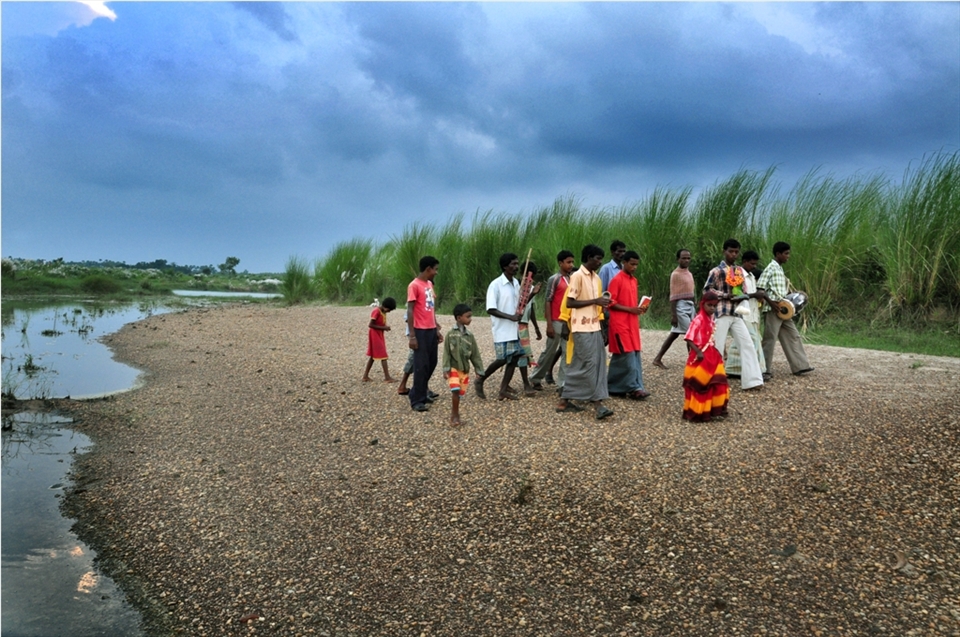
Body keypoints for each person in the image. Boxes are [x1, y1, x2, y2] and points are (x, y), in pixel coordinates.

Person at [556, 244, 614, 420]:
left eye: (600, 259)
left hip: (594, 326)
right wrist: (594, 301)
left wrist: (603, 326)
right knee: (588, 364)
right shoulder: (577, 276)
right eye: (597, 258)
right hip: (581, 327)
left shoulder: (596, 278)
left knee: (594, 363)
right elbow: (570, 303)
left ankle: (564, 400)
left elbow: (597, 304)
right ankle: (598, 404)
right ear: (589, 257)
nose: (599, 262)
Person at [703, 238, 764, 391]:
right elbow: (707, 290)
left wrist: (742, 296)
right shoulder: (716, 271)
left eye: (736, 252)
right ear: (724, 251)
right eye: (731, 251)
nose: (733, 255)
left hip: (737, 313)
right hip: (721, 311)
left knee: (747, 344)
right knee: (717, 345)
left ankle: (753, 381)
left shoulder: (738, 271)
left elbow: (742, 290)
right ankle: (711, 380)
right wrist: (724, 295)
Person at [757, 242, 814, 378]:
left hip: (783, 309)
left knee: (793, 335)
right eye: (786, 253)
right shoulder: (770, 268)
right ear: (778, 254)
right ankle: (764, 370)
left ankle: (800, 366)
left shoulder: (779, 269)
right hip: (773, 310)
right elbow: (760, 289)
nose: (788, 256)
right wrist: (771, 303)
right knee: (770, 339)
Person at [476, 253, 528, 400]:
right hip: (502, 329)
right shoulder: (496, 284)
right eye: (513, 264)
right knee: (503, 359)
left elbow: (519, 303)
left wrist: (531, 294)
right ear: (505, 266)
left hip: (514, 328)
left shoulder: (516, 283)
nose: (516, 267)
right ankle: (481, 379)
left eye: (517, 264)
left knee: (515, 357)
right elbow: (490, 308)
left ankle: (503, 389)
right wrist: (510, 317)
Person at [606, 251, 650, 399]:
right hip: (620, 323)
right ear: (624, 262)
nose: (634, 267)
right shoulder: (617, 280)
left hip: (632, 323)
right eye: (632, 264)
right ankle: (634, 387)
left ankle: (617, 386)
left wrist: (639, 308)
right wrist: (630, 309)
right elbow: (611, 302)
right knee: (626, 354)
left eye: (636, 264)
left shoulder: (633, 280)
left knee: (634, 353)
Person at [530, 250, 575, 390]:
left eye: (572, 262)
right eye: (568, 262)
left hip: (568, 321)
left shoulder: (572, 279)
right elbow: (548, 300)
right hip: (555, 320)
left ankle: (562, 384)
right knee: (549, 351)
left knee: (567, 352)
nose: (571, 265)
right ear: (560, 263)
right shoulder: (554, 279)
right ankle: (535, 377)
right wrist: (549, 324)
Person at [682, 290, 729, 422]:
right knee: (701, 384)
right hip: (700, 355)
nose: (712, 308)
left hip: (711, 353)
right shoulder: (698, 320)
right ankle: (699, 412)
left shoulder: (711, 319)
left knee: (718, 381)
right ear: (703, 304)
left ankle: (715, 409)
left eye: (715, 306)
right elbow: (688, 338)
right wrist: (698, 352)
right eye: (710, 305)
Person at [406, 256, 443, 412]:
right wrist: (412, 336)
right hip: (419, 331)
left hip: (430, 329)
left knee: (432, 362)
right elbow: (410, 310)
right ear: (428, 269)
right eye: (435, 269)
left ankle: (419, 391)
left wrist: (436, 327)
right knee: (421, 365)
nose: (436, 272)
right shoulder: (414, 285)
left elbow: (431, 307)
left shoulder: (429, 284)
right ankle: (416, 400)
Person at [442, 304, 485, 426]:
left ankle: (455, 414)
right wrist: (445, 369)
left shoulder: (470, 336)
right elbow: (446, 352)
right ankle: (454, 416)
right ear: (459, 318)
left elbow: (475, 354)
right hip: (453, 368)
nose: (470, 319)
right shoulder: (450, 335)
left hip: (465, 369)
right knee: (455, 391)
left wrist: (479, 369)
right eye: (468, 316)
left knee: (460, 393)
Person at [725, 251, 767, 378]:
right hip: (743, 313)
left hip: (752, 313)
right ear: (745, 262)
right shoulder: (738, 275)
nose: (754, 266)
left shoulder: (751, 276)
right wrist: (755, 295)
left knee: (745, 341)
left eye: (755, 264)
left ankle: (734, 369)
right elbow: (736, 295)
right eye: (752, 264)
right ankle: (754, 372)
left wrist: (758, 298)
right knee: (751, 340)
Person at [652, 249, 695, 369]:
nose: (686, 260)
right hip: (680, 307)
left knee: (674, 335)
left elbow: (691, 291)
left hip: (690, 306)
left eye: (688, 258)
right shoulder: (675, 274)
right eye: (683, 258)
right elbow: (673, 296)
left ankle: (657, 358)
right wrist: (674, 315)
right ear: (678, 259)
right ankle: (692, 360)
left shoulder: (689, 273)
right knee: (691, 334)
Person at [516, 261, 543, 393]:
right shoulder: (518, 287)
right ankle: (526, 384)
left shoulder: (531, 287)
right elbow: (521, 304)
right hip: (516, 323)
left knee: (523, 354)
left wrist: (536, 327)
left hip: (524, 324)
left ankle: (526, 383)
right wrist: (532, 293)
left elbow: (530, 308)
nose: (529, 279)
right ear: (522, 274)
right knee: (519, 354)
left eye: (531, 277)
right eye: (527, 276)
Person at [362, 297, 398, 382]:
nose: (389, 311)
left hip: (379, 335)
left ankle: (365, 376)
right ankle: (387, 377)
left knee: (373, 356)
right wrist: (384, 327)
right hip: (375, 335)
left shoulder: (383, 312)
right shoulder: (376, 311)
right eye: (389, 310)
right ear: (386, 307)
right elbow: (371, 325)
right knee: (383, 355)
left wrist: (384, 328)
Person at [396, 307, 415, 395]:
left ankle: (424, 387)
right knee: (412, 358)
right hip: (415, 334)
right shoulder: (412, 303)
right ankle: (402, 385)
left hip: (421, 333)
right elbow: (408, 318)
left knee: (423, 360)